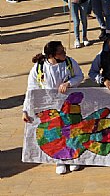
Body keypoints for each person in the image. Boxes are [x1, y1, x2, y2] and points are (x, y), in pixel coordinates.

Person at [22, 41, 84, 175]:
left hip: (67, 103)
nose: (64, 53)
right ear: (52, 55)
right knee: (55, 132)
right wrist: (25, 110)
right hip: (50, 106)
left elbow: (80, 76)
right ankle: (60, 159)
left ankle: (73, 157)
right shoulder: (39, 68)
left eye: (64, 50)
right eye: (61, 52)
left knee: (70, 129)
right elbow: (31, 90)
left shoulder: (70, 63)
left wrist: (69, 83)